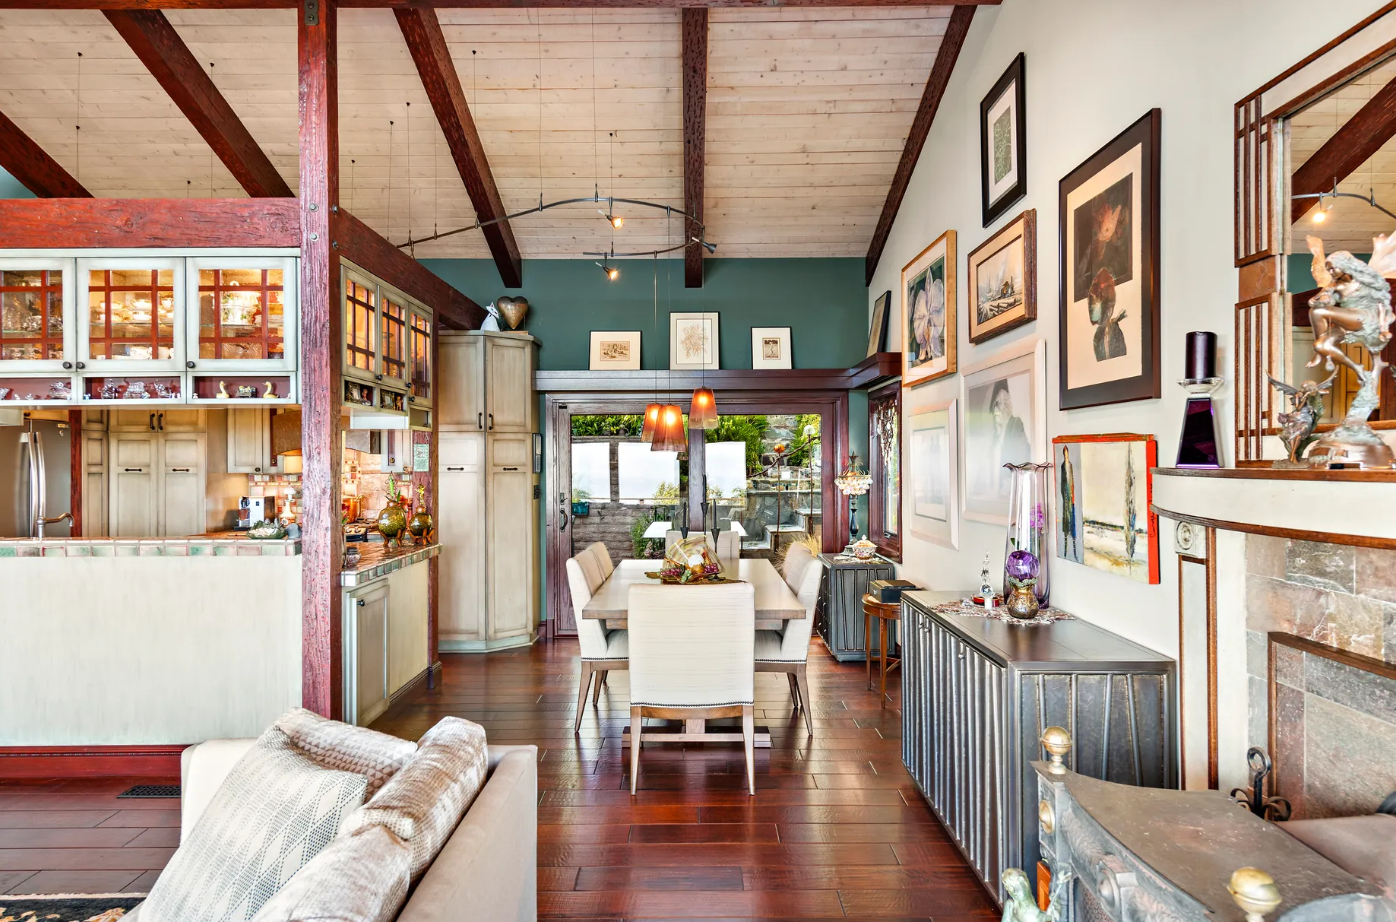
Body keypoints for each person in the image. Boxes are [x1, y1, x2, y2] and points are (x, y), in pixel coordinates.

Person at [988, 379, 1030, 495]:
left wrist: (1011, 482)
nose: (999, 408)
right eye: (997, 403)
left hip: (1010, 492)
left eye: (1003, 403)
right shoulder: (995, 433)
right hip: (996, 495)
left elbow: (1022, 457)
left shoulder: (1015, 424)